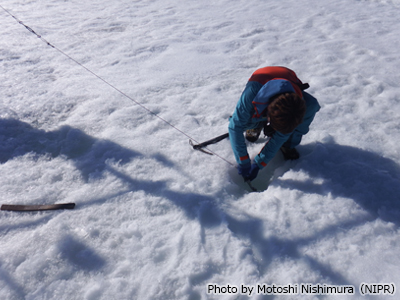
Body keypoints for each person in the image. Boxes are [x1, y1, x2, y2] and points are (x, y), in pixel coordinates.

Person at [228, 66, 320, 182]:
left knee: (311, 106)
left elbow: (283, 133)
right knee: (244, 119)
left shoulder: (297, 104)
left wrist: (259, 163)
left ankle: (288, 145)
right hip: (260, 82)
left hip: (286, 84)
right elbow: (235, 127)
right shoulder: (252, 94)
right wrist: (243, 161)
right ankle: (256, 126)